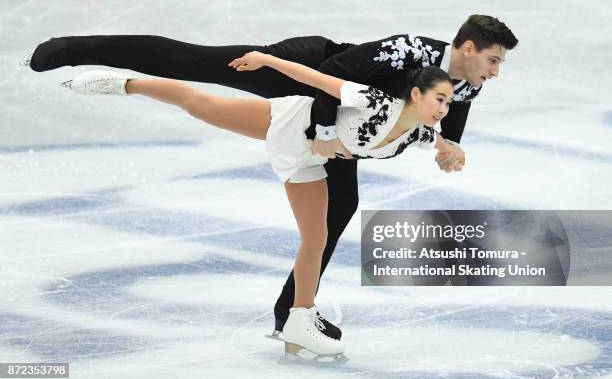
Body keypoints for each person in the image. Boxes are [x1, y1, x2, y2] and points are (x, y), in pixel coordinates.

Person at [21, 14, 519, 340]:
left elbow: (449, 124)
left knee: (335, 216)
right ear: (468, 46)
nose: (495, 72)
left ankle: (293, 315)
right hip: (306, 72)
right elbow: (337, 73)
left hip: (340, 127)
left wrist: (448, 149)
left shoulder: (465, 86)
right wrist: (324, 134)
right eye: (492, 60)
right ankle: (74, 47)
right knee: (197, 62)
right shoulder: (407, 50)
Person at [59, 53, 460, 358]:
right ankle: (125, 84)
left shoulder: (417, 135)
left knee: (316, 238)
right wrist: (266, 60)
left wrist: (451, 151)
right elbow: (316, 79)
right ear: (416, 93)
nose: (443, 109)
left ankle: (299, 320)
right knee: (199, 105)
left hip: (307, 160)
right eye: (439, 99)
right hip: (288, 123)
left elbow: (441, 143)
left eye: (448, 103)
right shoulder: (373, 102)